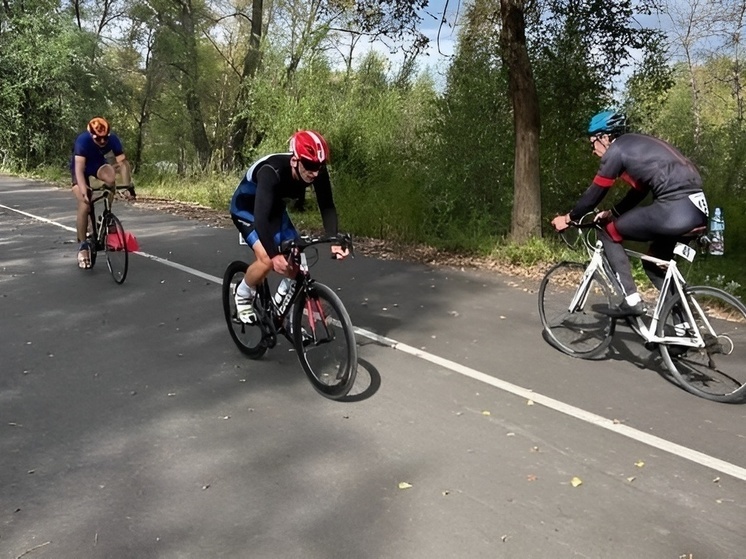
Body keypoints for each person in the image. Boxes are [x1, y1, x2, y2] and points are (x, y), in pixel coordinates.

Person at [551, 110, 709, 317]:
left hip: (674, 208)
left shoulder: (616, 151)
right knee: (654, 264)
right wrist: (614, 212)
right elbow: (640, 189)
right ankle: (683, 329)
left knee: (608, 233)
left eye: (592, 142)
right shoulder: (638, 146)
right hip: (697, 209)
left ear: (605, 137)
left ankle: (631, 300)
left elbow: (595, 193)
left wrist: (568, 218)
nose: (593, 149)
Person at [229, 130, 349, 323]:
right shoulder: (271, 171)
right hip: (247, 210)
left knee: (297, 265)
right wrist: (275, 254)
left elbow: (326, 204)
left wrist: (333, 238)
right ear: (295, 160)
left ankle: (281, 311)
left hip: (274, 209)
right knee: (267, 260)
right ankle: (242, 294)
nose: (315, 172)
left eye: (319, 165)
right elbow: (260, 219)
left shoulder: (316, 171)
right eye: (309, 165)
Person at [70, 117, 134, 268]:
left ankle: (106, 214)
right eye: (98, 139)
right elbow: (79, 170)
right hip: (81, 168)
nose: (103, 141)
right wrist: (84, 190)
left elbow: (123, 164)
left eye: (105, 138)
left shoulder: (113, 140)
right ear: (91, 135)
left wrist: (127, 186)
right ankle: (83, 246)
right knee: (85, 203)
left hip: (98, 164)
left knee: (111, 178)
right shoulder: (83, 141)